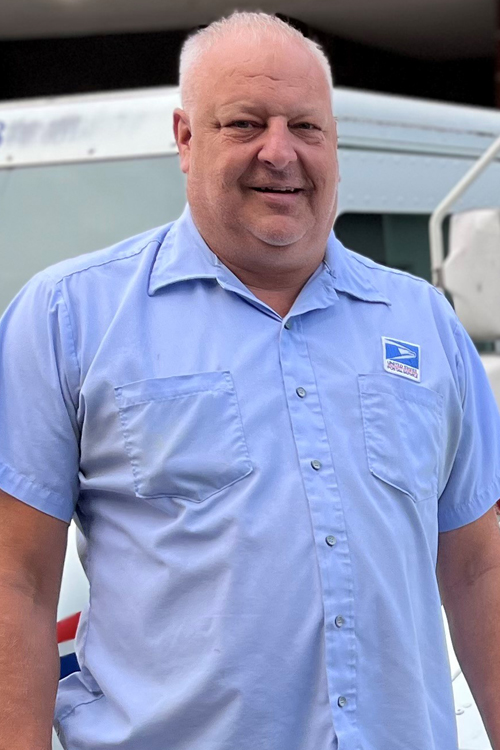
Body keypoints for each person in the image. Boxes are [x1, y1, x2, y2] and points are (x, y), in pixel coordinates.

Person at [1, 11, 500, 750]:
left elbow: (478, 569)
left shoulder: (423, 321)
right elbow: (17, 583)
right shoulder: (67, 318)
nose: (280, 152)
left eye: (306, 126)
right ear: (184, 138)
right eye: (244, 123)